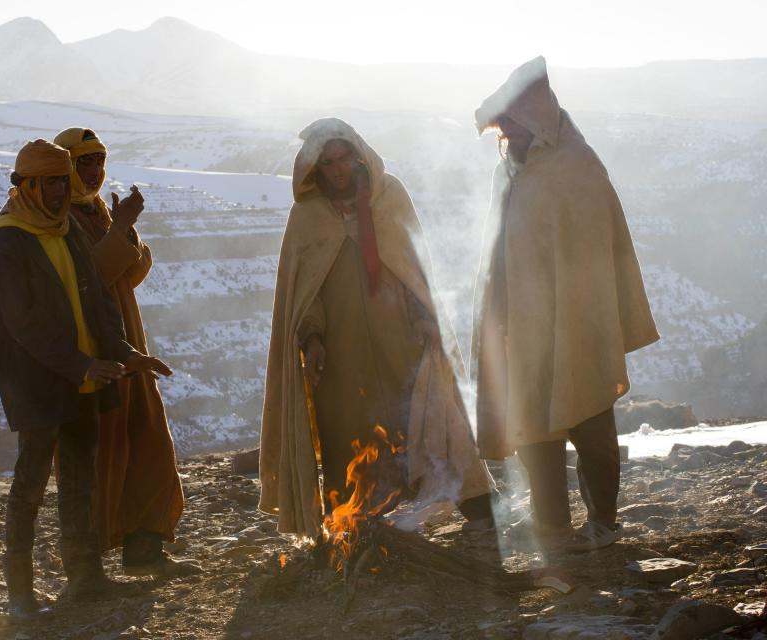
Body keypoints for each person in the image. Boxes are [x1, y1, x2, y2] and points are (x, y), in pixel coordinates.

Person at [259, 117, 496, 539]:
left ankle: (477, 510)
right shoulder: (307, 217)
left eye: (343, 158)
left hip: (399, 344)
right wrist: (311, 338)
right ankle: (353, 527)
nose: (337, 170)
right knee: (347, 441)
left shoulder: (390, 198)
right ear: (314, 167)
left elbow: (414, 269)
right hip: (341, 359)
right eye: (327, 162)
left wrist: (425, 316)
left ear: (357, 154)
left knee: (428, 422)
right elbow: (304, 296)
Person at [471, 57, 659, 551]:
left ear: (537, 118)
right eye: (504, 124)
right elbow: (497, 248)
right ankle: (551, 525)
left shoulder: (576, 166)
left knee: (590, 417)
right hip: (523, 324)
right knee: (534, 426)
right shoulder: (507, 172)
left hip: (578, 320)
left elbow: (600, 248)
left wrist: (585, 310)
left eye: (514, 121)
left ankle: (602, 523)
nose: (508, 131)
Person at [0, 139, 172, 621]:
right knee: (30, 483)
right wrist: (81, 364)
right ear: (25, 186)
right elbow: (23, 323)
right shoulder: (9, 240)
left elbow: (100, 304)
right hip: (39, 383)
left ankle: (85, 578)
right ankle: (20, 592)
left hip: (85, 377)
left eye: (62, 182)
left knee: (80, 482)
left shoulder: (68, 232)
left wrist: (126, 353)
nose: (58, 191)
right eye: (48, 182)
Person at [52, 127, 192, 576]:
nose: (92, 172)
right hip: (93, 349)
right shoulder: (57, 217)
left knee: (147, 441)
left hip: (129, 342)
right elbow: (88, 279)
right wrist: (123, 227)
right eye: (82, 163)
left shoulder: (93, 210)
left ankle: (145, 550)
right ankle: (87, 570)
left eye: (98, 162)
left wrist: (122, 229)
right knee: (102, 453)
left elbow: (128, 275)